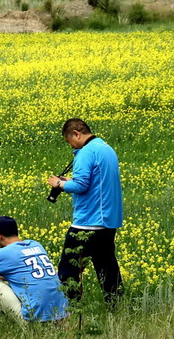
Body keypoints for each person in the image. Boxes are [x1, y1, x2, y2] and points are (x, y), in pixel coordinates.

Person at [46, 118, 123, 304]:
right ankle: (116, 305)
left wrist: (59, 184)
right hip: (108, 220)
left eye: (68, 141)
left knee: (68, 268)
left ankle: (69, 306)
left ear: (76, 134)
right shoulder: (106, 148)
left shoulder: (85, 152)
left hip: (88, 221)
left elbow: (81, 185)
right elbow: (96, 182)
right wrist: (68, 182)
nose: (70, 145)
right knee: (106, 267)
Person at [0, 216, 68, 322]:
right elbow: (26, 273)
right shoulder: (36, 245)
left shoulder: (3, 253)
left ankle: (3, 322)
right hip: (61, 313)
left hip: (35, 317)